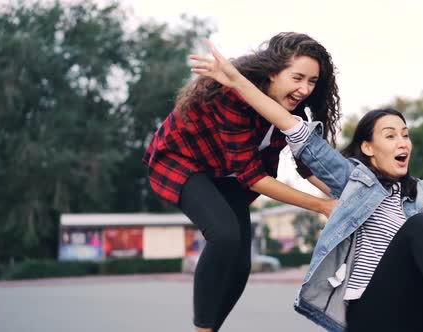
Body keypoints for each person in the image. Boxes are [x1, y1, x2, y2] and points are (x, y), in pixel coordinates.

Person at [189, 41, 423, 332]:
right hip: (371, 314)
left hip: (420, 312)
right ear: (368, 148)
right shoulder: (353, 180)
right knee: (421, 227)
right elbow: (291, 126)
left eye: (406, 134)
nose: (403, 142)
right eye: (390, 135)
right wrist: (237, 80)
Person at [142, 32, 340, 332]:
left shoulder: (293, 112)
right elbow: (252, 176)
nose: (304, 89)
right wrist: (322, 205)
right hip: (181, 161)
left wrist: (347, 194)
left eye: (312, 82)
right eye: (297, 77)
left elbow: (308, 164)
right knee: (224, 236)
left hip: (227, 174)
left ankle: (211, 328)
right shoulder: (232, 96)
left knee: (240, 266)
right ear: (273, 71)